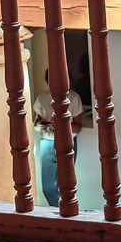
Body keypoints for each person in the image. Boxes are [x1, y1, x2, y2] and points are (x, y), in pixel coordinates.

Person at [32, 68, 84, 207]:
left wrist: (62, 126)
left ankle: (67, 213)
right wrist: (45, 125)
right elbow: (37, 122)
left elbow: (78, 126)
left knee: (66, 185)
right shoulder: (42, 98)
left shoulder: (74, 98)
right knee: (48, 187)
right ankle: (60, 211)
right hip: (48, 142)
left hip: (68, 142)